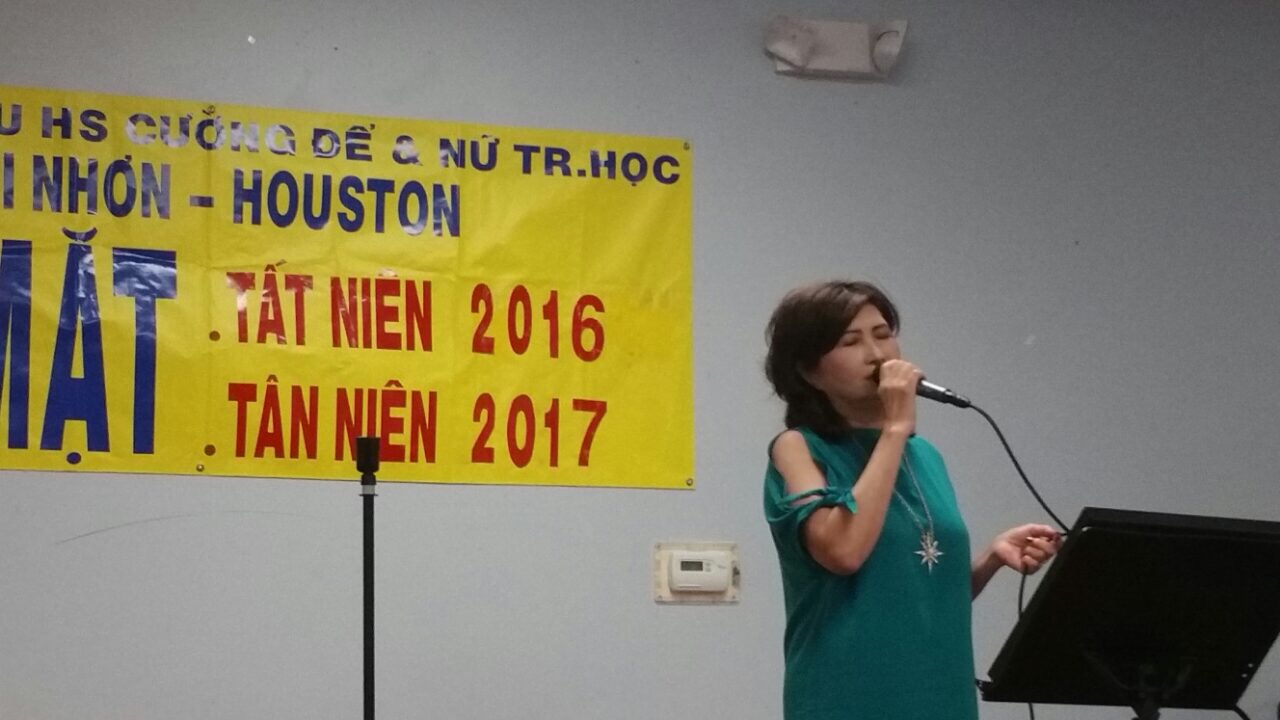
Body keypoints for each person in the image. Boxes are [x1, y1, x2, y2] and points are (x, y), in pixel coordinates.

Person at [762, 280, 1060, 720]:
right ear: (809, 372)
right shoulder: (798, 449)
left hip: (940, 693)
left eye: (883, 335)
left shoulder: (926, 457)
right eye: (851, 342)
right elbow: (843, 552)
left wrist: (992, 559)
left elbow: (919, 594)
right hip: (848, 696)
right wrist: (896, 428)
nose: (877, 354)